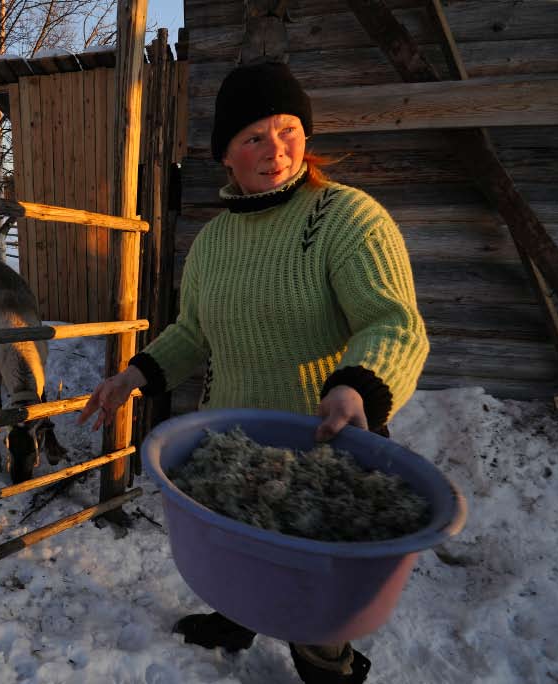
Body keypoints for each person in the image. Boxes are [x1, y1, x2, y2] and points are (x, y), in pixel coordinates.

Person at [77, 62, 430, 684]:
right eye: (253, 138)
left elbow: (394, 322)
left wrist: (355, 384)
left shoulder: (344, 218)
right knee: (236, 557)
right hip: (234, 446)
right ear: (226, 156)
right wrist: (133, 375)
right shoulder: (214, 240)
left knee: (315, 598)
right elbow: (193, 332)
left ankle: (329, 666)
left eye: (288, 129)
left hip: (326, 445)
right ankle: (237, 618)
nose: (275, 151)